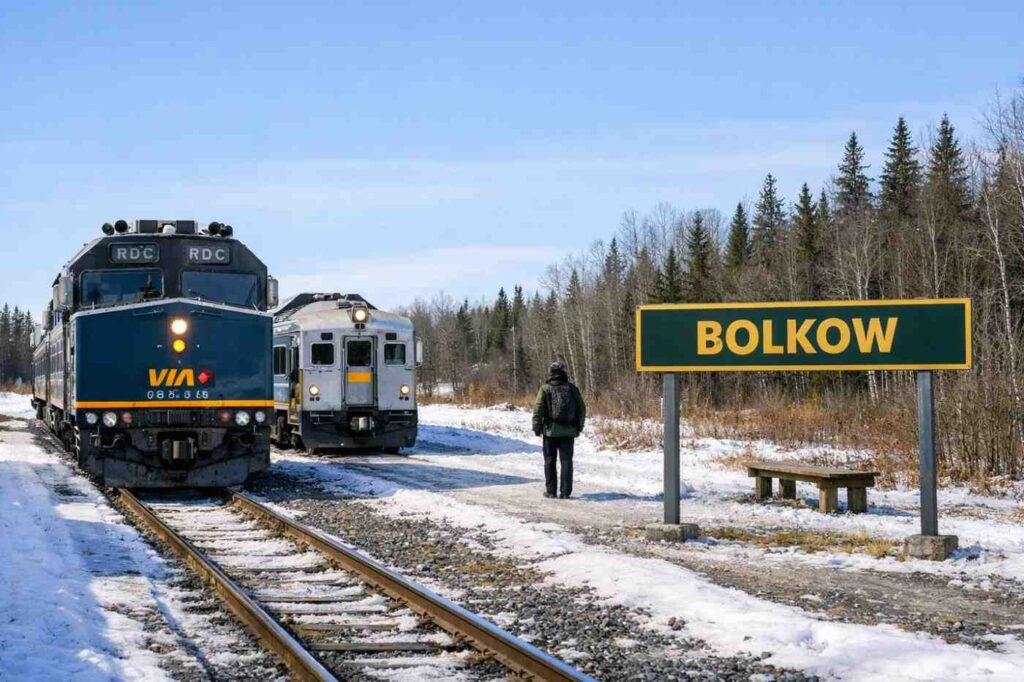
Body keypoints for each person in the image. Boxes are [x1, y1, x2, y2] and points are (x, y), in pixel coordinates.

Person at [532, 361, 586, 499]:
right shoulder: (572, 389)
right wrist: (579, 427)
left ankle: (551, 491)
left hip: (550, 431)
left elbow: (538, 409)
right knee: (566, 461)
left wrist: (537, 426)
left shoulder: (545, 389)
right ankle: (565, 492)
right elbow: (581, 408)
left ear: (551, 372)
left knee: (550, 460)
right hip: (569, 431)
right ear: (564, 372)